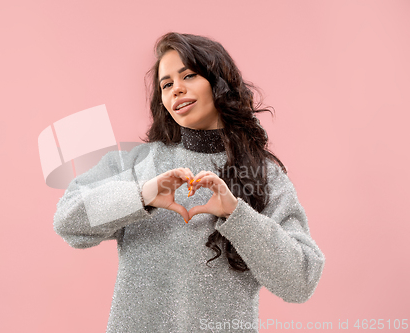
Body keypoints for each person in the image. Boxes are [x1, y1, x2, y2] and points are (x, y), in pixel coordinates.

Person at [53, 32, 325, 333]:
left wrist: (237, 215)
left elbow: (301, 280)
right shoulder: (137, 163)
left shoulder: (265, 175)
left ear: (219, 82)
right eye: (166, 84)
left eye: (189, 76)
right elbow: (67, 221)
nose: (176, 89)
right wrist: (143, 196)